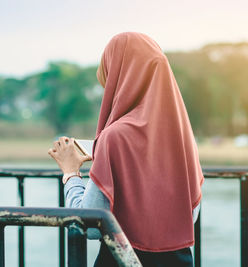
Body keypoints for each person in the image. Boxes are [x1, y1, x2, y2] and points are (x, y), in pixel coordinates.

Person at [48, 32, 204, 267]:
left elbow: (89, 224)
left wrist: (71, 173)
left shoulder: (114, 138)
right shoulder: (182, 138)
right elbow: (189, 215)